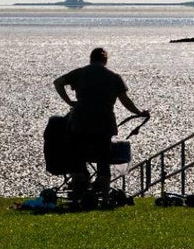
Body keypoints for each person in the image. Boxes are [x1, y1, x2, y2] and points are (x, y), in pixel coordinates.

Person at [54, 48, 147, 199]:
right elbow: (125, 101)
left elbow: (58, 83)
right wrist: (138, 112)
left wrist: (69, 101)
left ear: (90, 59)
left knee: (78, 157)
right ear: (105, 61)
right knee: (103, 160)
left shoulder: (80, 73)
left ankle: (78, 193)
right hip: (104, 123)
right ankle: (104, 196)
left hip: (80, 121)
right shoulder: (114, 77)